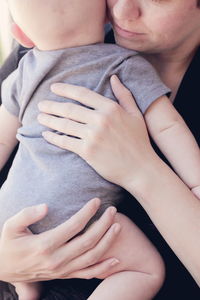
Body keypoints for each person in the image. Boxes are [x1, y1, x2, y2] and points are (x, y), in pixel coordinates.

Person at [0, 1, 199, 300]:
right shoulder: (37, 50)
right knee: (147, 269)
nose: (121, 11)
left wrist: (143, 170)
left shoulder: (38, 58)